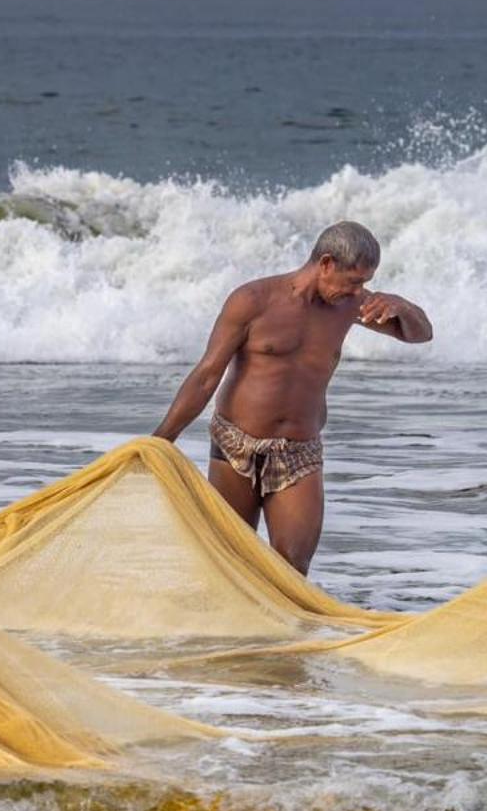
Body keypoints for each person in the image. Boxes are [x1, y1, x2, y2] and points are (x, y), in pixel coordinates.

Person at [149, 221, 432, 574]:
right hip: (236, 445)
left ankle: (286, 632)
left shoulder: (351, 305)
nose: (361, 290)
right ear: (326, 263)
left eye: (366, 282)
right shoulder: (253, 301)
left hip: (299, 452)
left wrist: (401, 305)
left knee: (293, 568)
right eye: (354, 280)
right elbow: (207, 375)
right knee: (227, 563)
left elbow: (421, 335)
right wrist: (160, 442)